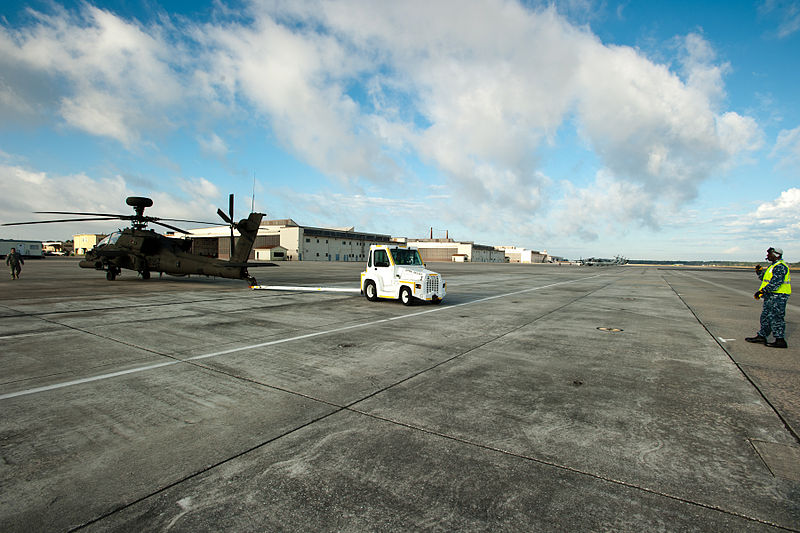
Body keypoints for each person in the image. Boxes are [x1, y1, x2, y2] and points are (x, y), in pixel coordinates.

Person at [746, 246, 791, 348]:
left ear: (776, 255)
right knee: (766, 316)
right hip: (770, 296)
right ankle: (762, 336)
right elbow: (765, 279)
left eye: (769, 254)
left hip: (778, 296)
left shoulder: (780, 266)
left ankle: (780, 340)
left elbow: (775, 283)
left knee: (776, 317)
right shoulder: (772, 266)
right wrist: (759, 272)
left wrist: (761, 291)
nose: (767, 256)